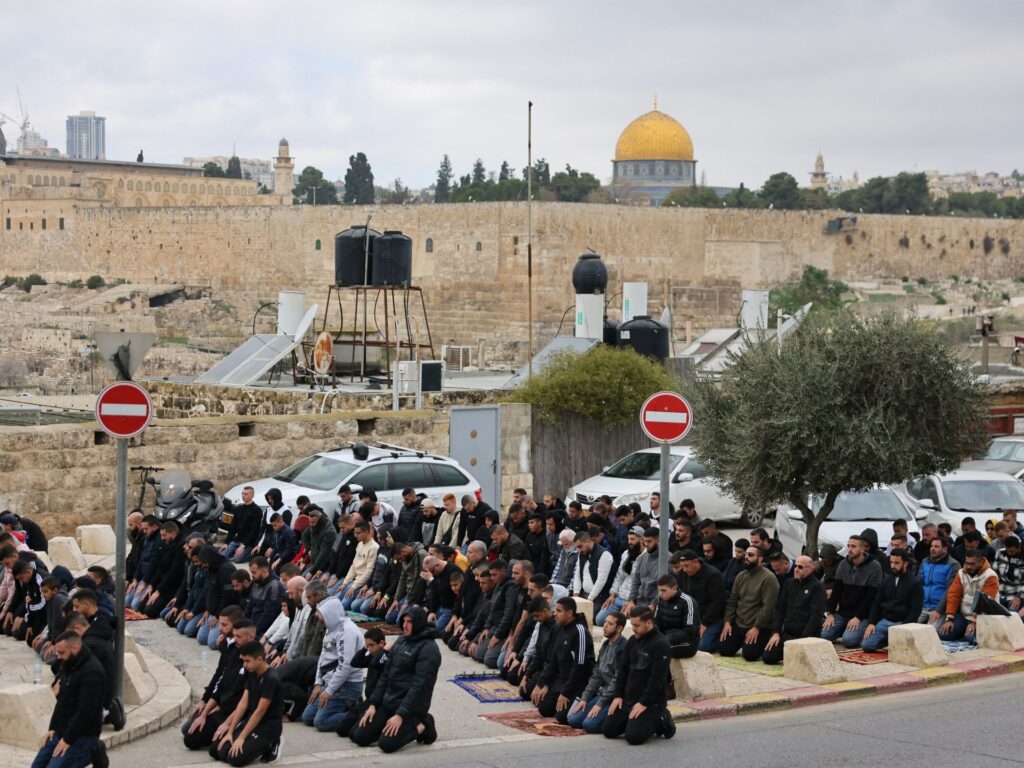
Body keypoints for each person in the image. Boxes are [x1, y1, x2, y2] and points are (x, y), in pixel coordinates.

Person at [349, 605, 441, 753]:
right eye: (404, 621)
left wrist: (400, 715)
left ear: (418, 623)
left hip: (411, 709)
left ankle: (424, 724)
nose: (405, 625)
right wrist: (373, 704)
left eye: (409, 622)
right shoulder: (401, 640)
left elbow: (419, 687)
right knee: (358, 736)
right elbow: (385, 675)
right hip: (390, 703)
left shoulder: (429, 649)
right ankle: (390, 726)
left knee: (387, 744)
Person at [32, 630, 107, 768]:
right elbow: (61, 702)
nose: (58, 657)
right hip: (61, 730)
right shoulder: (67, 664)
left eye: (61, 653)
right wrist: (52, 728)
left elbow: (86, 712)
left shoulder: (93, 671)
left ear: (75, 648)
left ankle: (93, 751)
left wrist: (67, 740)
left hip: (83, 735)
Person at [601, 607, 675, 744]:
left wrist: (644, 703)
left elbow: (658, 679)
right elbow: (623, 669)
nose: (633, 629)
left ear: (649, 623)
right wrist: (618, 695)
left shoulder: (661, 644)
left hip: (650, 701)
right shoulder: (633, 640)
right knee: (608, 730)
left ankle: (661, 719)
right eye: (632, 625)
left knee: (633, 738)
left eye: (637, 625)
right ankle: (635, 722)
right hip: (629, 698)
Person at [182, 613, 254, 750]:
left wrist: (228, 724)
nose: (235, 640)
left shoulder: (254, 662)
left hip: (238, 715)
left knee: (216, 750)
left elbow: (246, 702)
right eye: (235, 636)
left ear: (250, 637)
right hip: (223, 709)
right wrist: (204, 713)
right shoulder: (233, 651)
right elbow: (220, 682)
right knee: (189, 736)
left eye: (239, 637)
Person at [211, 641, 284, 765]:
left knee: (234, 759)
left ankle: (273, 742)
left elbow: (260, 711)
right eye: (243, 661)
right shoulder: (252, 672)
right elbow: (243, 704)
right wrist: (230, 732)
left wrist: (241, 738)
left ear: (259, 659)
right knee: (216, 751)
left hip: (267, 727)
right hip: (252, 721)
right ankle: (249, 740)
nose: (244, 665)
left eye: (247, 661)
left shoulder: (271, 679)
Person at [302, 599, 365, 732]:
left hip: (348, 685)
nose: (316, 615)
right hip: (332, 682)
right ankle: (346, 707)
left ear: (330, 614)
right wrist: (318, 683)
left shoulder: (347, 632)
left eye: (320, 613)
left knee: (321, 722)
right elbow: (323, 657)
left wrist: (329, 691)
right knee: (308, 717)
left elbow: (345, 666)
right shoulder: (331, 627)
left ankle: (359, 714)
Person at [531, 597, 595, 723]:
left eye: (559, 611)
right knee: (544, 708)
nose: (555, 613)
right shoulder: (558, 628)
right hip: (561, 679)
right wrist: (546, 684)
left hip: (578, 682)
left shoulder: (580, 631)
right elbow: (553, 659)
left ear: (569, 613)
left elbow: (580, 666)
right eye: (555, 610)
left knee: (562, 717)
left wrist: (566, 693)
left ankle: (586, 701)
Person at [567, 612, 627, 733]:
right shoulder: (605, 645)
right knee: (573, 719)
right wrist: (585, 698)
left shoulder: (623, 648)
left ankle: (618, 721)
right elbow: (597, 675)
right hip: (602, 693)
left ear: (619, 628)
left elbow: (617, 681)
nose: (605, 626)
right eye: (605, 622)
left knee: (589, 725)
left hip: (614, 696)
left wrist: (600, 704)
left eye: (610, 624)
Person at [762, 555, 828, 665]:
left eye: (800, 567)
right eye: (796, 566)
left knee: (799, 663)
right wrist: (776, 632)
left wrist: (802, 640)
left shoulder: (817, 587)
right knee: (768, 657)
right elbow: (780, 609)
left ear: (810, 568)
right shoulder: (789, 583)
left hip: (807, 636)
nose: (796, 569)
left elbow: (815, 616)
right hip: (788, 634)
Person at [822, 535, 883, 648]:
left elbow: (871, 597)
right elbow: (836, 591)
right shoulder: (843, 564)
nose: (849, 549)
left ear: (863, 549)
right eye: (848, 546)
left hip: (863, 615)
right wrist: (830, 613)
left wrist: (858, 617)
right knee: (824, 635)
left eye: (853, 546)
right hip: (843, 613)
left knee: (849, 641)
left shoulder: (875, 566)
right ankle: (845, 629)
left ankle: (854, 631)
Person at [720, 546, 779, 661]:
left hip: (758, 626)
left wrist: (756, 627)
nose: (746, 557)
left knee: (750, 655)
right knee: (724, 650)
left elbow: (768, 607)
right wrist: (727, 623)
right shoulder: (741, 576)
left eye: (750, 555)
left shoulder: (769, 578)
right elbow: (732, 601)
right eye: (746, 554)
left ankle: (764, 639)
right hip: (739, 624)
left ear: (760, 558)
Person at [861, 548, 923, 651]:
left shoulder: (915, 583)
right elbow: (877, 603)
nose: (893, 566)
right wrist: (872, 623)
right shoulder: (886, 580)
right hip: (885, 621)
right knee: (866, 645)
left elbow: (916, 609)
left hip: (902, 622)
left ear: (905, 564)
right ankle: (889, 639)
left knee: (900, 649)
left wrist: (904, 627)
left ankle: (893, 640)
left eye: (897, 563)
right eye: (891, 562)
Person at [334, 627, 390, 737]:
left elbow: (375, 663)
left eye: (371, 645)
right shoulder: (373, 655)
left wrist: (384, 651)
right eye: (367, 646)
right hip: (369, 701)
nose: (369, 649)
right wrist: (365, 648)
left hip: (380, 703)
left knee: (355, 734)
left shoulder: (387, 657)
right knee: (342, 729)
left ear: (381, 643)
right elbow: (355, 662)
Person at [937, 551, 999, 642]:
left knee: (971, 638)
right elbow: (953, 595)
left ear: (981, 562)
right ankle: (964, 632)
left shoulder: (990, 575)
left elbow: (985, 602)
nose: (969, 566)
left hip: (983, 617)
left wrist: (975, 622)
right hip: (964, 615)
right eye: (967, 563)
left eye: (972, 564)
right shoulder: (961, 573)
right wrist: (949, 618)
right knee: (943, 634)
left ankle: (969, 634)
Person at [674, 549, 726, 653]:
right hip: (691, 617)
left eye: (687, 566)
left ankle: (722, 639)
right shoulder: (682, 574)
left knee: (702, 646)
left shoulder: (713, 575)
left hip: (712, 618)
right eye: (682, 566)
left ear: (696, 562)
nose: (684, 569)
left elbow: (717, 602)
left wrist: (705, 623)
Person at [597, 527, 642, 625]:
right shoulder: (626, 554)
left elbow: (643, 585)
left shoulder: (645, 557)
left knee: (624, 625)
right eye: (628, 539)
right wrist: (612, 594)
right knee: (600, 620)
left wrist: (632, 601)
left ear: (642, 539)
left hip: (633, 601)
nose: (629, 542)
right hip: (619, 597)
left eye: (633, 539)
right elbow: (619, 576)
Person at [653, 574, 699, 658]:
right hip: (666, 639)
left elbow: (690, 630)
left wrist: (666, 639)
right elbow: (657, 623)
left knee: (658, 650)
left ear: (674, 588)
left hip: (687, 643)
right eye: (659, 590)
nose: (661, 594)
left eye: (663, 590)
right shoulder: (661, 600)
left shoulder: (687, 602)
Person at [917, 536, 961, 624]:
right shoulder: (925, 562)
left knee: (931, 630)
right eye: (931, 546)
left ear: (945, 549)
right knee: (909, 628)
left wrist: (939, 610)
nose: (933, 549)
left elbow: (950, 591)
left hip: (939, 609)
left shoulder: (953, 565)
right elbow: (918, 584)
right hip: (923, 607)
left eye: (936, 546)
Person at [571, 531, 614, 608]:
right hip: (583, 593)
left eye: (580, 546)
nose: (578, 550)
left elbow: (601, 580)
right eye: (577, 547)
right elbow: (577, 574)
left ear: (588, 542)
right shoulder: (582, 553)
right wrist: (576, 593)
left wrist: (589, 599)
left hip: (599, 597)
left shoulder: (604, 554)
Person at [623, 528, 660, 614]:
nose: (646, 544)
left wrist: (653, 604)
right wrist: (631, 600)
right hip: (639, 602)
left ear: (658, 541)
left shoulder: (666, 560)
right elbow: (636, 581)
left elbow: (663, 588)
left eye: (649, 541)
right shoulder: (643, 557)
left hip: (654, 605)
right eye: (645, 541)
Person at [222, 487, 261, 563]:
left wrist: (243, 546)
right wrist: (227, 542)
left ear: (252, 495)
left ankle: (246, 553)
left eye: (246, 494)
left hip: (248, 543)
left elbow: (254, 531)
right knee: (221, 555)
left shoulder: (257, 510)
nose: (243, 495)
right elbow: (232, 527)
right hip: (237, 539)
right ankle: (233, 552)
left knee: (237, 559)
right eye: (242, 493)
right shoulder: (239, 508)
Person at [994, 535, 1024, 616]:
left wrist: (1019, 597)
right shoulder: (1000, 553)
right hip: (1000, 592)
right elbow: (994, 573)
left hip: (1016, 594)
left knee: (1011, 616)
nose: (1010, 553)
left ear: (1018, 548)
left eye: (1012, 551)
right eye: (1008, 551)